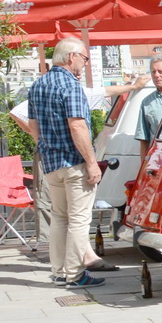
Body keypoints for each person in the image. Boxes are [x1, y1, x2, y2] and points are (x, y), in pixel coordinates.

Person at [27, 38, 103, 288]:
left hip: (51, 163)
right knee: (79, 220)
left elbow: (33, 124)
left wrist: (45, 147)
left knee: (60, 218)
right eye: (84, 58)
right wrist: (91, 162)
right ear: (72, 57)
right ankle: (75, 275)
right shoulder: (70, 85)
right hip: (73, 161)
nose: (85, 63)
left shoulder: (38, 84)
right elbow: (77, 125)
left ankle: (60, 272)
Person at [133, 53, 162, 160]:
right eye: (153, 72)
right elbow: (144, 140)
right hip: (159, 159)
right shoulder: (147, 103)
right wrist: (144, 165)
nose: (156, 75)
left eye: (160, 71)